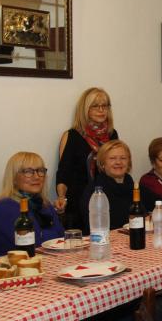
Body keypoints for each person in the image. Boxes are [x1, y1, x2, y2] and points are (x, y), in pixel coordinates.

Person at [56, 87, 119, 229]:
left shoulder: (112, 134)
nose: (101, 110)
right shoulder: (72, 135)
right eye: (96, 106)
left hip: (106, 199)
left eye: (105, 106)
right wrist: (61, 197)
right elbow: (64, 173)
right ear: (85, 109)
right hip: (78, 203)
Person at [0, 152, 64, 257]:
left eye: (40, 171)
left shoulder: (44, 205)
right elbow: (33, 246)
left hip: (49, 262)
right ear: (14, 178)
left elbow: (62, 239)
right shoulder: (5, 207)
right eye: (28, 172)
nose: (37, 176)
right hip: (15, 268)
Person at [81, 140, 135, 230]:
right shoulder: (95, 191)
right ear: (102, 163)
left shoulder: (131, 185)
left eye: (123, 158)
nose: (118, 162)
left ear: (128, 162)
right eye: (112, 158)